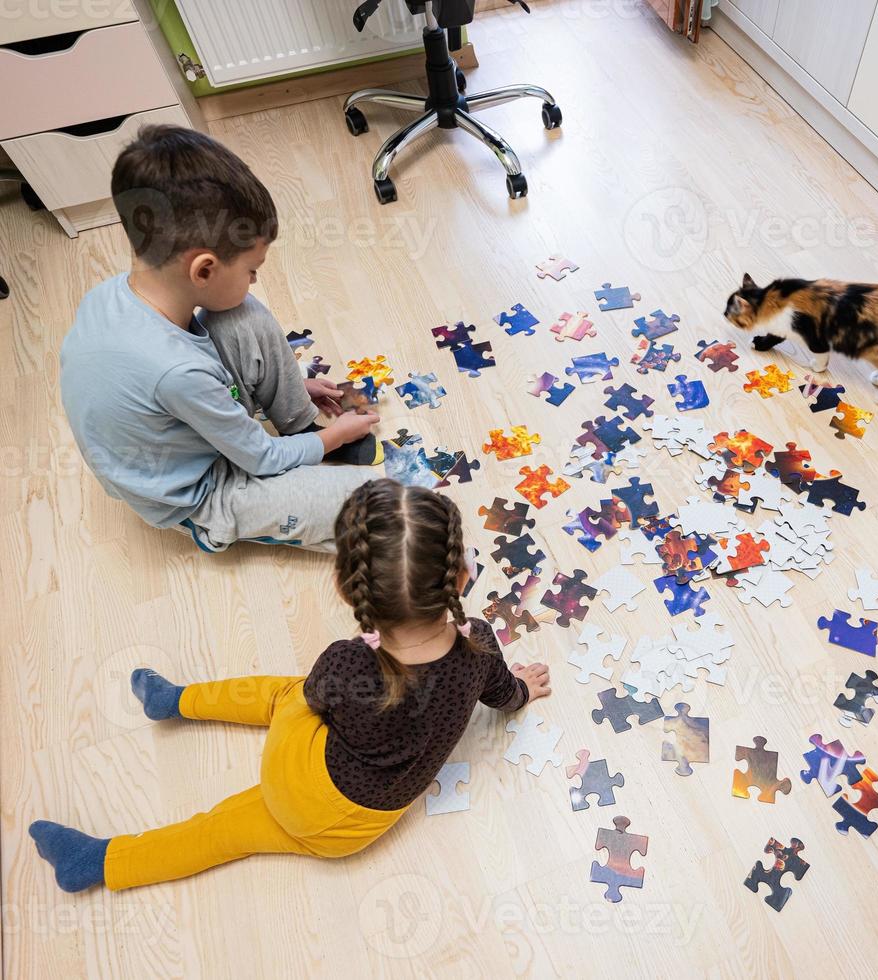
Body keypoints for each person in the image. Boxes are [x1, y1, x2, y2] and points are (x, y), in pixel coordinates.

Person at [29, 481, 551, 891]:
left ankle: (176, 701)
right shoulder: (480, 645)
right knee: (219, 831)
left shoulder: (347, 662)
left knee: (285, 693)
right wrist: (523, 692)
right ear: (462, 577)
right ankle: (99, 863)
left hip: (302, 772)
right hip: (345, 831)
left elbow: (317, 699)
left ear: (348, 589)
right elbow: (504, 695)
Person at [60, 125, 382, 553]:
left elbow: (195, 381)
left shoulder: (112, 294)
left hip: (181, 419)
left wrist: (292, 384)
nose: (255, 278)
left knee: (242, 314)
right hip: (200, 491)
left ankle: (299, 425)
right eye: (252, 269)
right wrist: (333, 438)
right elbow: (257, 456)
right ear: (204, 270)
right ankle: (304, 451)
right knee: (376, 506)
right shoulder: (176, 371)